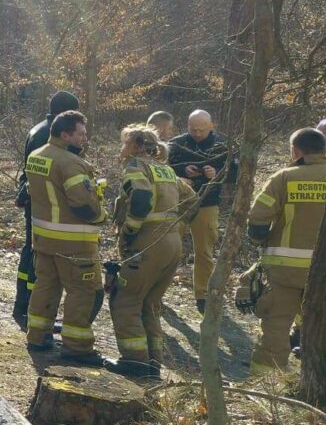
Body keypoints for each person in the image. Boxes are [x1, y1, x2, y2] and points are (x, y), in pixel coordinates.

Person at [243, 128, 326, 373]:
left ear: (295, 151)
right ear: (325, 150)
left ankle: (265, 383)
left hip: (285, 271)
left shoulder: (284, 177)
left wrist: (261, 243)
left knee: (276, 326)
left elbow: (258, 220)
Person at [109, 125, 196, 378]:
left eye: (125, 143)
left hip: (147, 243)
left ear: (136, 146)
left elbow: (141, 198)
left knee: (125, 299)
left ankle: (134, 361)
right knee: (149, 303)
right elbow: (192, 201)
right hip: (171, 243)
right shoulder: (166, 170)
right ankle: (152, 361)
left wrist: (131, 230)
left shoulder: (136, 166)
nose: (122, 148)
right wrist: (175, 226)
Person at [25, 110, 108, 364]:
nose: (85, 138)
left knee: (46, 287)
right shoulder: (72, 163)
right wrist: (101, 216)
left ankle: (37, 336)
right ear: (65, 135)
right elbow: (82, 203)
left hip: (43, 240)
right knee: (83, 292)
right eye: (80, 133)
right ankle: (77, 347)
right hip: (74, 243)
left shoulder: (36, 156)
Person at [14, 90, 81, 330]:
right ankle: (32, 312)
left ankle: (23, 308)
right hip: (46, 206)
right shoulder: (53, 136)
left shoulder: (39, 130)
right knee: (39, 259)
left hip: (35, 202)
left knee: (30, 253)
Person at [167, 110, 236, 311]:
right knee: (169, 249)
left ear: (211, 126)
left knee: (204, 251)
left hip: (207, 203)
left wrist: (217, 173)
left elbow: (237, 173)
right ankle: (158, 290)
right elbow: (163, 168)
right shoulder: (176, 144)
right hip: (178, 203)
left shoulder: (222, 146)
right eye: (193, 129)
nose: (197, 133)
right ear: (187, 126)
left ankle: (203, 295)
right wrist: (182, 172)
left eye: (201, 129)